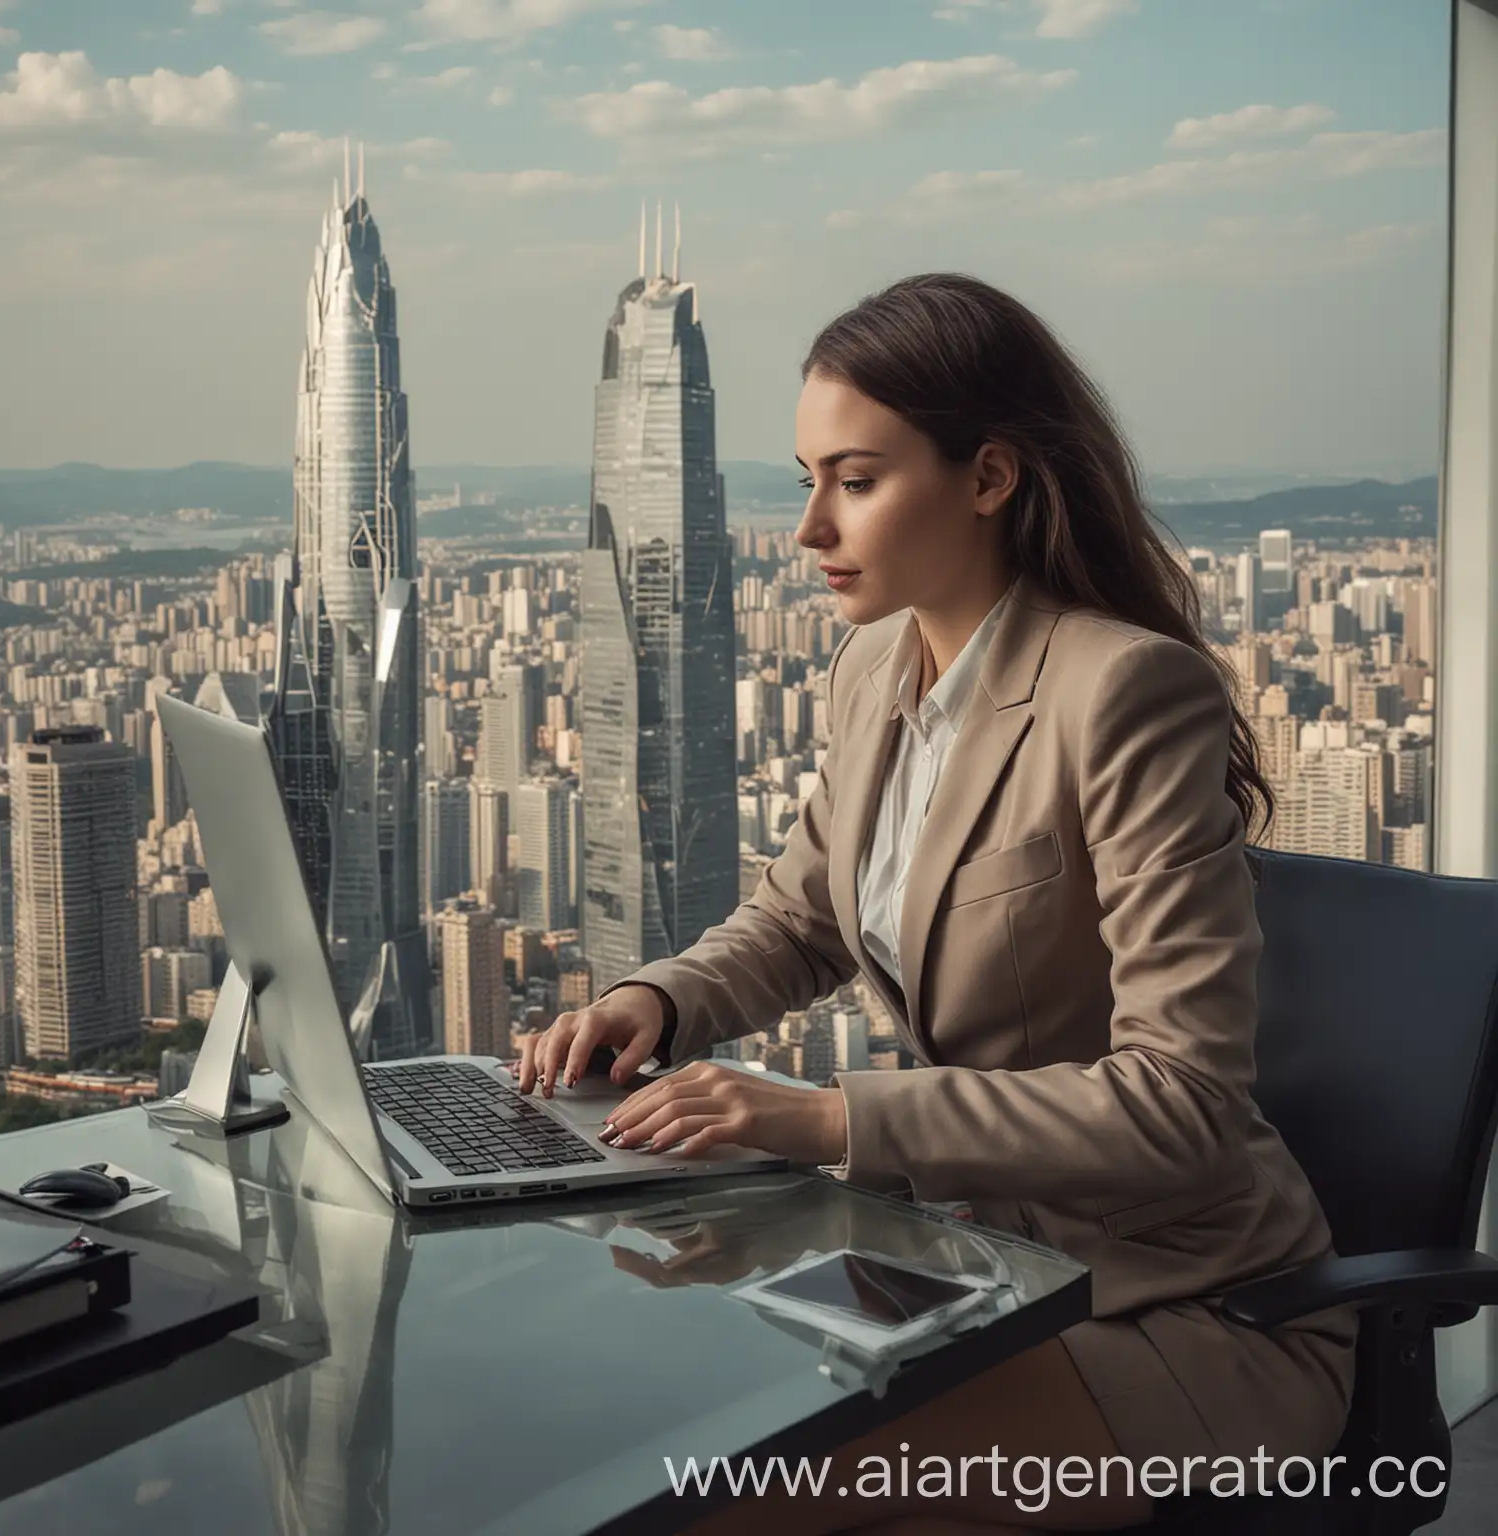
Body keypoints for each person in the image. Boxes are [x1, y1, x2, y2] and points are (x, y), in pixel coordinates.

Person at [516, 273, 1356, 1533]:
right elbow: (804, 915)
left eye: (853, 481)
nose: (807, 528)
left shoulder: (1125, 692)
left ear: (988, 477)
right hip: (970, 1270)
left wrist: (823, 1117)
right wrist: (659, 998)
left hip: (1177, 1308)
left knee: (717, 1499)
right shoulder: (872, 666)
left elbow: (1182, 1107)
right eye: (806, 479)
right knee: (637, 1431)